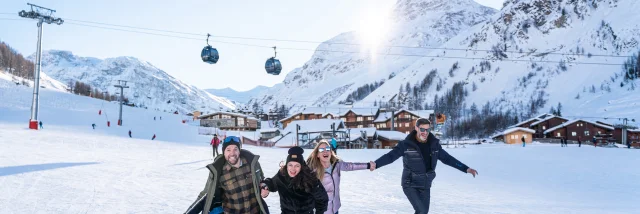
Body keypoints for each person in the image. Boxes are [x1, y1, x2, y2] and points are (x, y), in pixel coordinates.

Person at [373, 118, 478, 214]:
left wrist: (466, 168)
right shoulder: (406, 144)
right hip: (410, 184)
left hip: (425, 184)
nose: (425, 133)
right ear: (416, 128)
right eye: (422, 129)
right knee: (421, 211)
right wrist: (376, 164)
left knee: (422, 212)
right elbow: (390, 156)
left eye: (427, 130)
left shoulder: (434, 145)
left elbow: (447, 159)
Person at [185, 136, 270, 214]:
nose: (232, 153)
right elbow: (206, 194)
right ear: (223, 152)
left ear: (239, 150)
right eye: (228, 150)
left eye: (235, 149)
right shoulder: (218, 171)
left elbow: (262, 181)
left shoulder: (252, 164)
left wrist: (264, 187)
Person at [306, 139, 375, 214]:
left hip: (335, 209)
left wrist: (368, 165)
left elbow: (351, 166)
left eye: (328, 149)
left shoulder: (337, 164)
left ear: (331, 152)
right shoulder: (312, 170)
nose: (325, 151)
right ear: (317, 155)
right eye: (321, 149)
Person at [262, 146, 328, 214]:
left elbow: (323, 199)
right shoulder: (282, 175)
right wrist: (265, 185)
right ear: (286, 165)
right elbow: (272, 183)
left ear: (301, 167)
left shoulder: (310, 179)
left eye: (297, 166)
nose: (293, 169)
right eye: (290, 165)